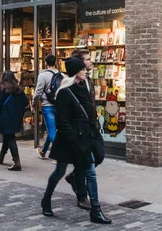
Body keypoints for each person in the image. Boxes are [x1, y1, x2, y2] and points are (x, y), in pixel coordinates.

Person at [41, 57, 111, 224]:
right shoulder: (65, 92)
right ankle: (46, 199)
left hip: (84, 137)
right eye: (82, 69)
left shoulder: (84, 88)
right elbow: (62, 120)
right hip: (69, 141)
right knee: (59, 172)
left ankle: (96, 210)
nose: (85, 71)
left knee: (91, 173)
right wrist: (73, 137)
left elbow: (89, 114)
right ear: (75, 73)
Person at [63, 49, 98, 202]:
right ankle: (84, 197)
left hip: (89, 127)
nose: (91, 61)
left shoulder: (88, 80)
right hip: (78, 130)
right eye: (88, 59)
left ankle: (74, 176)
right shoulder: (72, 85)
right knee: (88, 166)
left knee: (94, 158)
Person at [32, 54, 59, 159]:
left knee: (52, 131)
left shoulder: (43, 75)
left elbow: (38, 91)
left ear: (46, 63)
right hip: (58, 106)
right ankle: (43, 151)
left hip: (47, 106)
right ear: (56, 63)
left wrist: (34, 104)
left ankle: (59, 156)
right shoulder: (61, 75)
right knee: (52, 128)